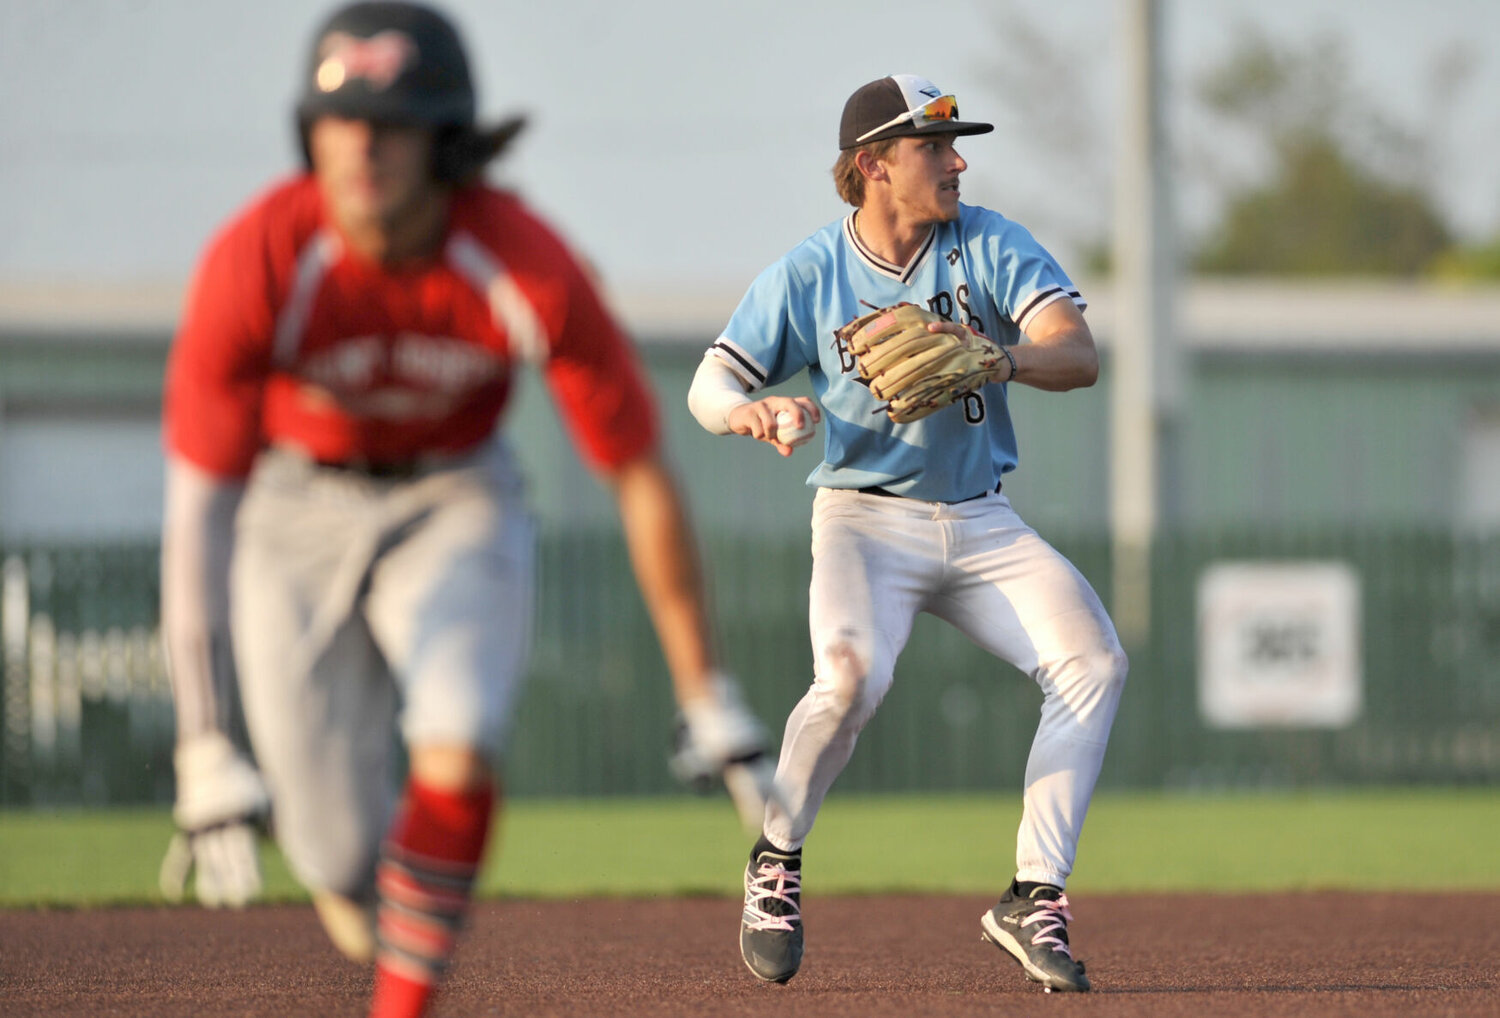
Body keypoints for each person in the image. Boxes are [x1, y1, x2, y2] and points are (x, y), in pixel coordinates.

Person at [156, 4, 774, 1016]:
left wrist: (704, 689)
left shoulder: (522, 259)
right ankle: (374, 913)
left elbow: (638, 468)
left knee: (460, 726)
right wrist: (201, 736)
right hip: (293, 510)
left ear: (446, 138)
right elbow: (199, 507)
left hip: (456, 494)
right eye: (337, 119)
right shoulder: (261, 256)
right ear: (306, 132)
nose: (359, 145)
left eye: (391, 121)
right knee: (337, 854)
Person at [687, 74, 1129, 994]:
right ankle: (776, 861)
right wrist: (754, 415)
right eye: (933, 147)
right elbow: (709, 386)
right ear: (872, 166)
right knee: (851, 678)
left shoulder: (989, 242)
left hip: (980, 521)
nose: (957, 160)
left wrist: (1005, 355)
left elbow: (1078, 353)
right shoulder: (812, 271)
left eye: (954, 144)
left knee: (1093, 662)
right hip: (863, 519)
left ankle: (1032, 896)